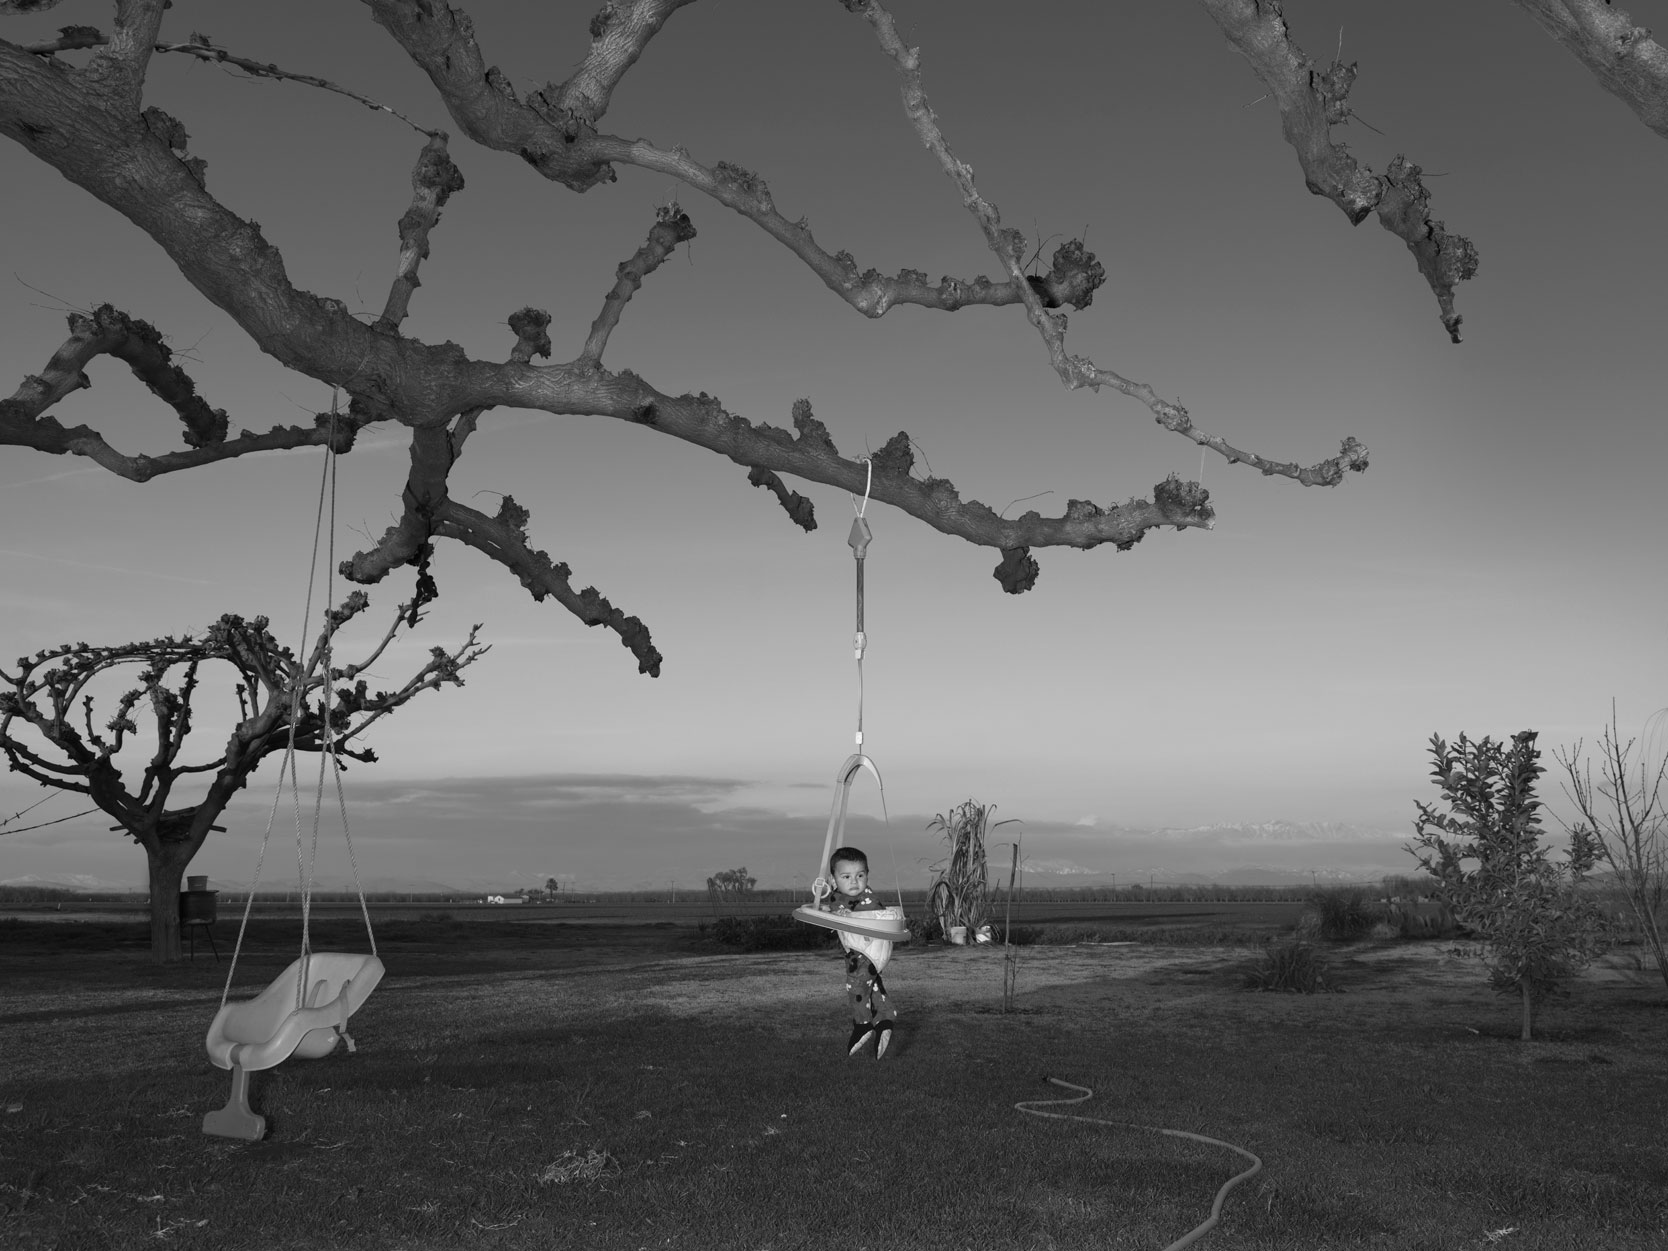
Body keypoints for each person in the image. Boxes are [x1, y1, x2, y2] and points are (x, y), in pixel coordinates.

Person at [817, 845, 898, 1058]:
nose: (854, 882)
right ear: (834, 880)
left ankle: (862, 1024)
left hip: (868, 952)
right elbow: (837, 909)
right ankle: (884, 1017)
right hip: (863, 952)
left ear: (867, 875)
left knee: (856, 986)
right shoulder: (840, 897)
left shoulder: (866, 900)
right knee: (871, 986)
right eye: (846, 876)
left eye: (860, 875)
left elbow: (874, 915)